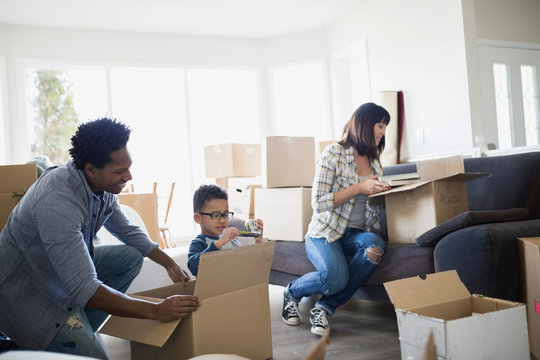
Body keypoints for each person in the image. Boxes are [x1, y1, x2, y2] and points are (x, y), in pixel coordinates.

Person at [0, 117, 199, 359]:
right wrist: (158, 310)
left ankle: (77, 328)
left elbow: (126, 230)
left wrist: (167, 262)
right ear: (92, 169)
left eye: (128, 167)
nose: (129, 176)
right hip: (29, 295)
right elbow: (86, 289)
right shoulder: (57, 201)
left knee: (129, 258)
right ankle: (48, 340)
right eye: (120, 171)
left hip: (57, 274)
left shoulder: (99, 186)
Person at [281, 102, 392, 336]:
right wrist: (360, 187)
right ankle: (292, 292)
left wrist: (384, 192)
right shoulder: (333, 153)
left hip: (355, 234)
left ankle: (324, 307)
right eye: (380, 125)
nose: (383, 132)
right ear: (364, 124)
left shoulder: (375, 163)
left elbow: (372, 209)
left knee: (375, 246)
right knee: (335, 279)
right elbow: (319, 202)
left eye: (385, 127)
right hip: (324, 232)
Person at [187, 184, 263, 276]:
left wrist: (258, 241)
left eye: (225, 215)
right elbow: (193, 267)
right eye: (215, 215)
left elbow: (249, 265)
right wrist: (219, 243)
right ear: (198, 218)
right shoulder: (199, 243)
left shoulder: (232, 241)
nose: (223, 220)